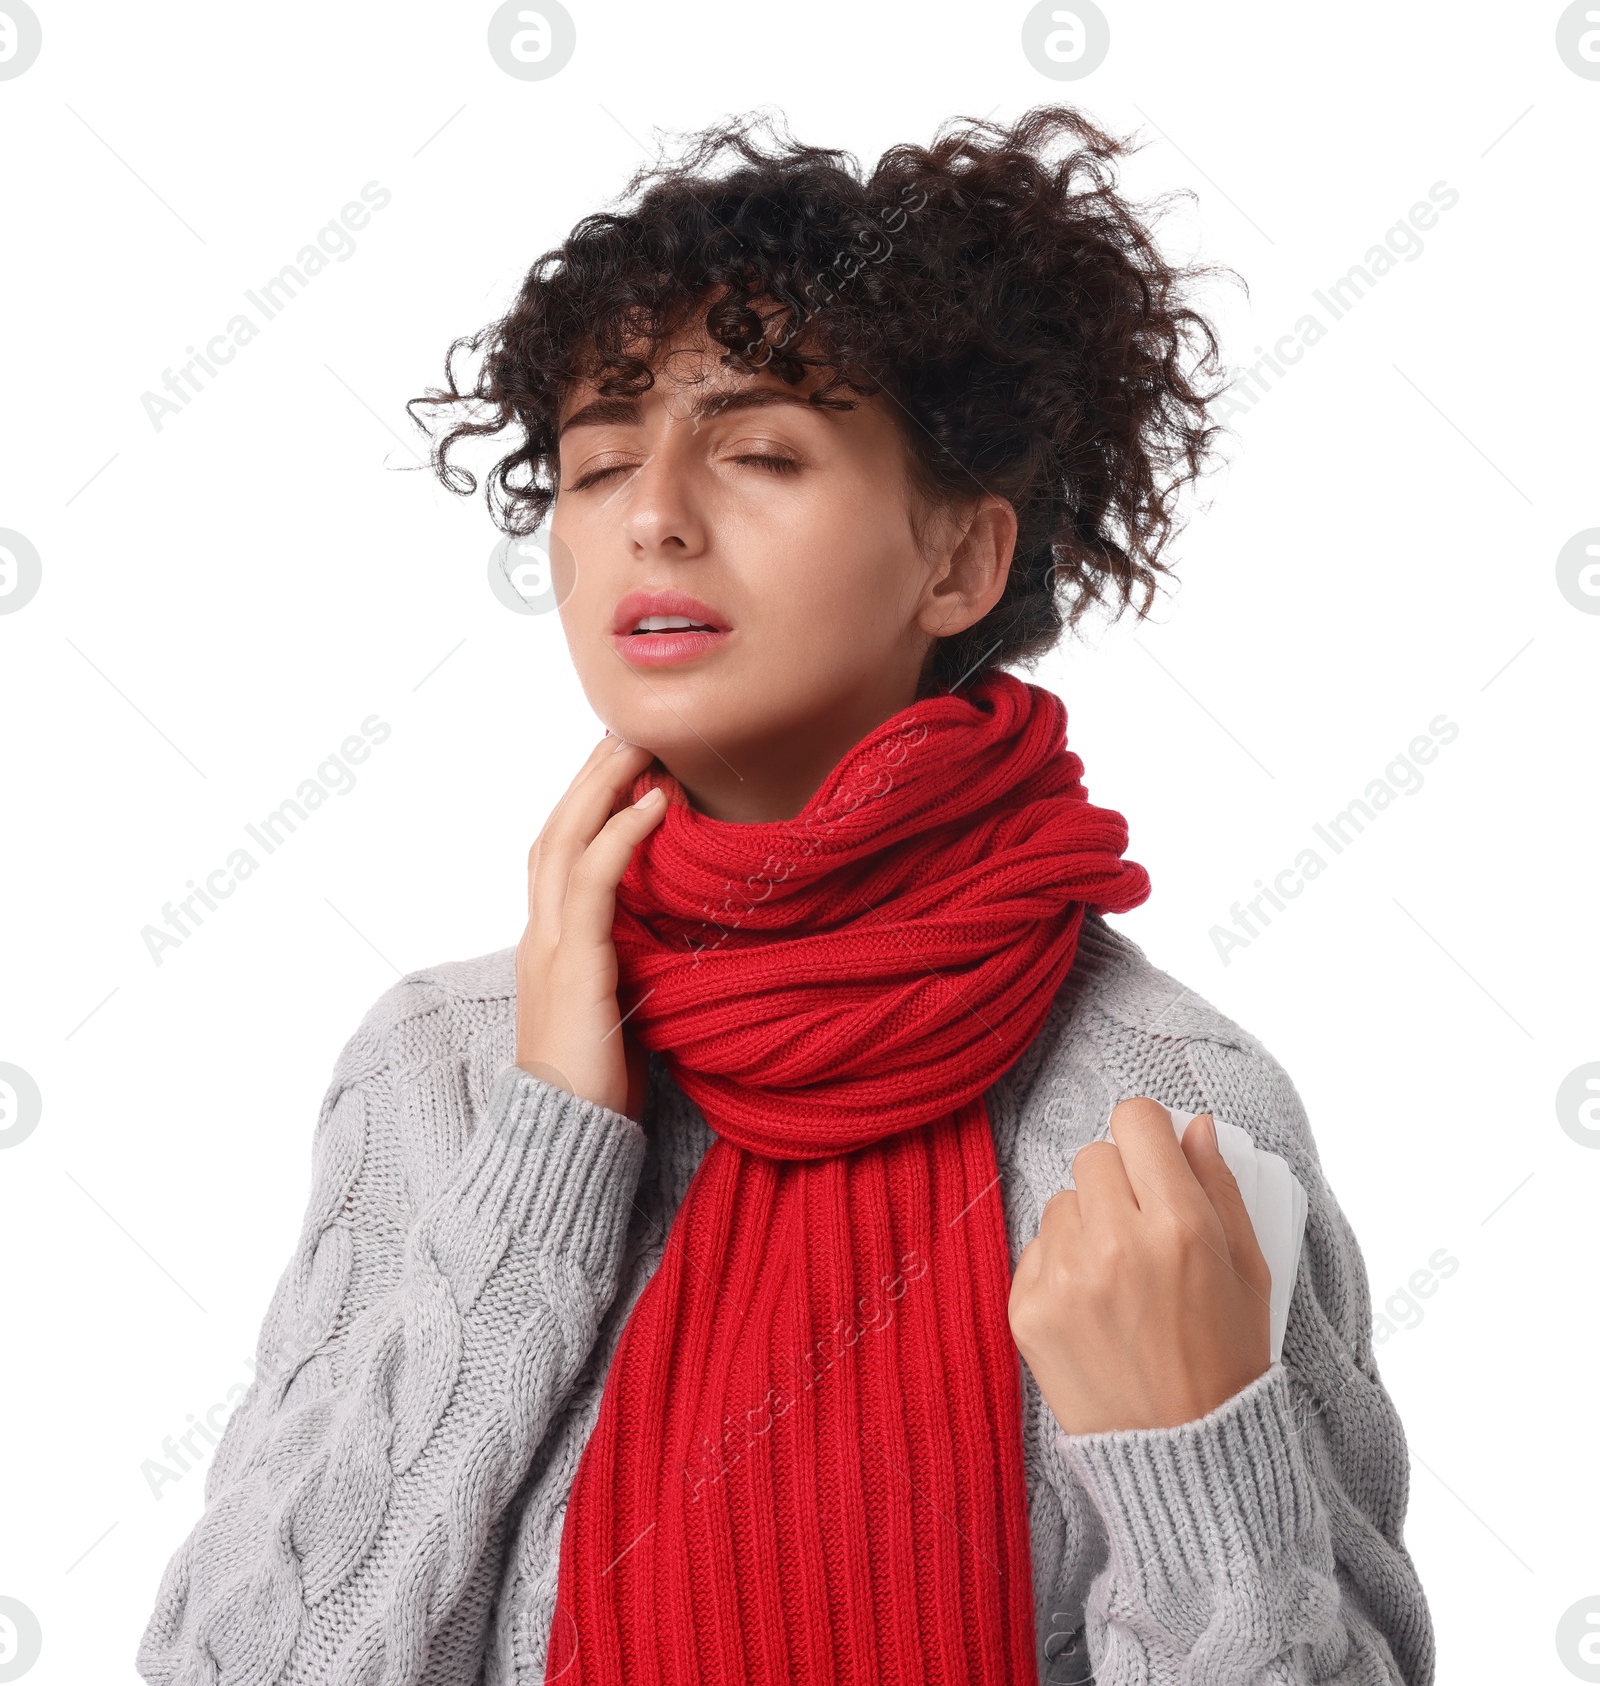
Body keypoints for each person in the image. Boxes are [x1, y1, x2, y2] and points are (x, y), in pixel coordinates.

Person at [136, 106, 1436, 1685]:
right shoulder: (447, 1068)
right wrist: (543, 1162)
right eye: (599, 459)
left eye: (758, 451)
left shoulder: (1164, 1112)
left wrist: (1194, 1471)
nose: (653, 512)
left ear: (957, 561)